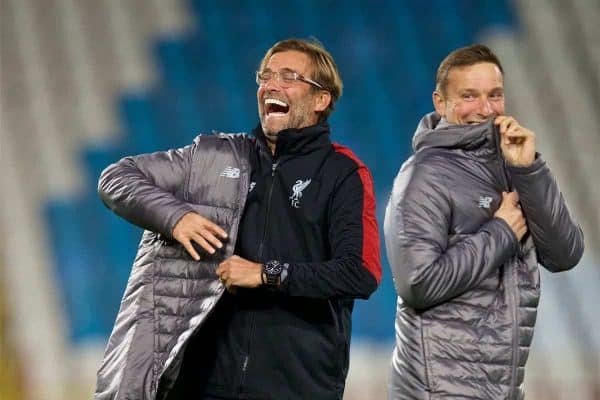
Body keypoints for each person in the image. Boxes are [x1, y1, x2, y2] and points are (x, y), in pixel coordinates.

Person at [94, 38, 381, 400]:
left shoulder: (343, 173)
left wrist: (266, 274)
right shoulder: (214, 157)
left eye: (289, 76)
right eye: (267, 75)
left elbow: (360, 273)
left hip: (297, 387)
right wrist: (176, 218)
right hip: (200, 384)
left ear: (321, 100)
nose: (272, 85)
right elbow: (116, 178)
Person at [384, 44, 584, 399]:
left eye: (494, 95)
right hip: (440, 390)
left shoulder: (514, 166)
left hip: (499, 387)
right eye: (469, 96)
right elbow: (418, 284)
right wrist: (502, 231)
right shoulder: (423, 176)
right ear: (440, 102)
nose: (485, 109)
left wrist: (529, 170)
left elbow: (565, 254)